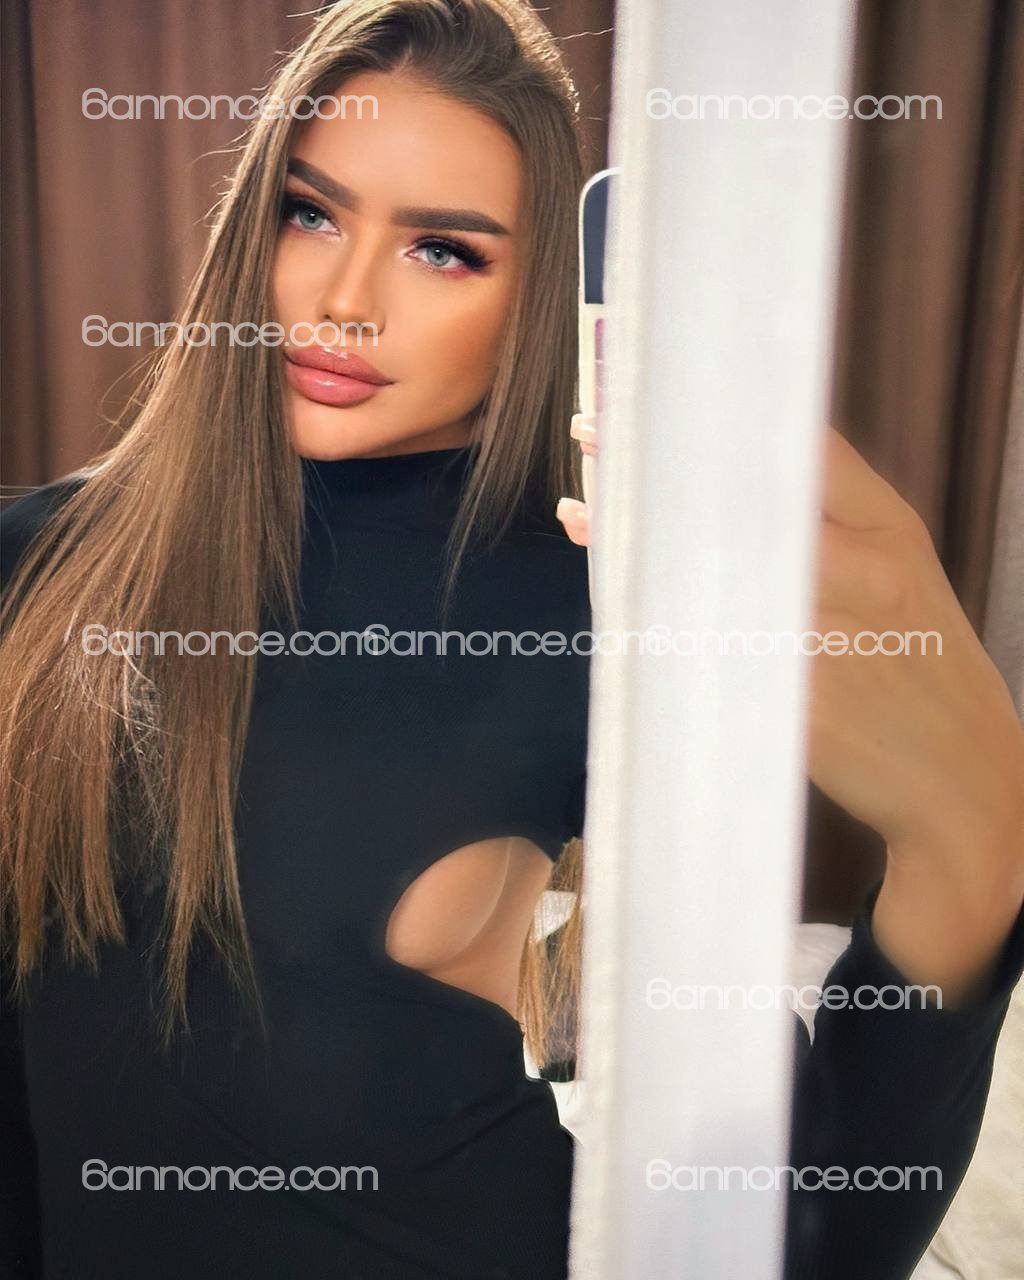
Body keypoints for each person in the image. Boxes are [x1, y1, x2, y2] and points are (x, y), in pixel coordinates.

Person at [1, 2, 1022, 1277]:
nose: (344, 300)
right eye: (310, 213)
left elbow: (796, 1224)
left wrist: (971, 848)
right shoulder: (38, 563)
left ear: (535, 299)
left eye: (443, 251)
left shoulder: (595, 604)